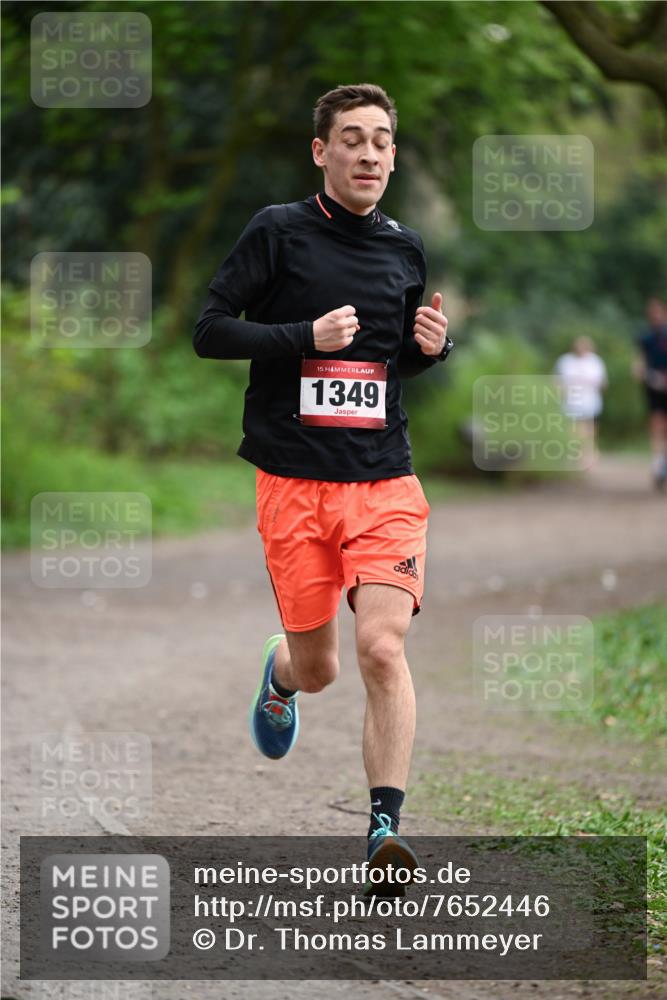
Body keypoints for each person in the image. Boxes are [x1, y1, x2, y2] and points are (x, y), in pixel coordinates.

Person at [193, 83, 453, 893]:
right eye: (351, 138)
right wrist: (299, 336)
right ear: (321, 151)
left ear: (392, 155)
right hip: (294, 483)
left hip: (383, 480)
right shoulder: (277, 231)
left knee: (381, 647)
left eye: (381, 139)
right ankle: (281, 675)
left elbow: (388, 364)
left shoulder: (404, 249)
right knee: (322, 669)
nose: (369, 152)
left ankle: (382, 832)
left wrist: (429, 348)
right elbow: (208, 330)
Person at [554, 336, 608, 468]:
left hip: (590, 401)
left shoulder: (595, 362)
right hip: (570, 402)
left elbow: (603, 383)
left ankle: (588, 454)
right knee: (573, 429)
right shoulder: (565, 361)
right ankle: (578, 454)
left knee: (588, 428)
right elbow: (557, 381)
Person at [633, 297, 667, 490]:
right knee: (656, 423)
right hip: (654, 387)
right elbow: (640, 362)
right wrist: (645, 375)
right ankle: (658, 463)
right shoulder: (645, 337)